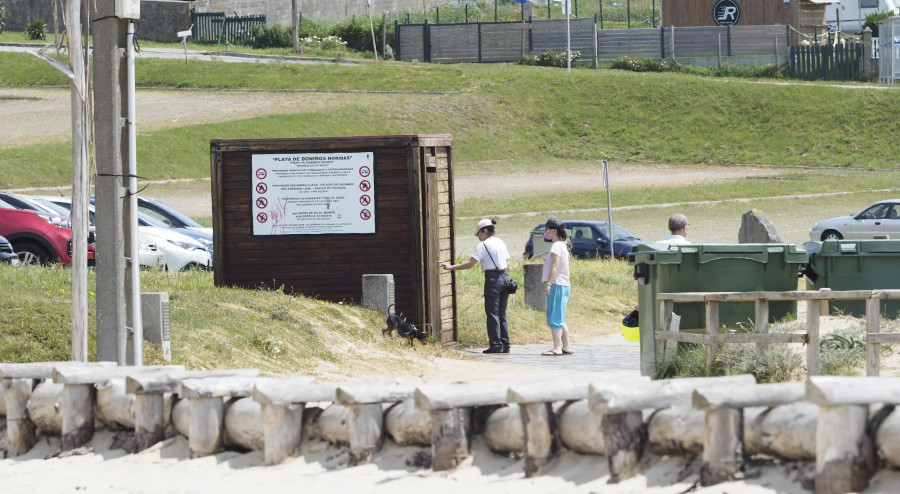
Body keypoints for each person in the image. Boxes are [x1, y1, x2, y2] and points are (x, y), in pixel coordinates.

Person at [441, 219, 511, 354]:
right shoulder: (500, 242)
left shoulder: (483, 246)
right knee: (502, 314)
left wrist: (450, 267)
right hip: (505, 277)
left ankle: (496, 345)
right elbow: (507, 262)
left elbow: (470, 264)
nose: (478, 237)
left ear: (484, 231)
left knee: (492, 313)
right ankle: (505, 344)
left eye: (478, 233)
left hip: (492, 279)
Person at [541, 217, 573, 356]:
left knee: (554, 317)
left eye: (547, 229)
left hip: (557, 284)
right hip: (564, 284)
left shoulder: (556, 246)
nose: (546, 232)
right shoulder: (562, 245)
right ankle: (566, 346)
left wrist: (548, 283)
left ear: (553, 230)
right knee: (560, 317)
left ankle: (557, 347)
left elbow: (555, 266)